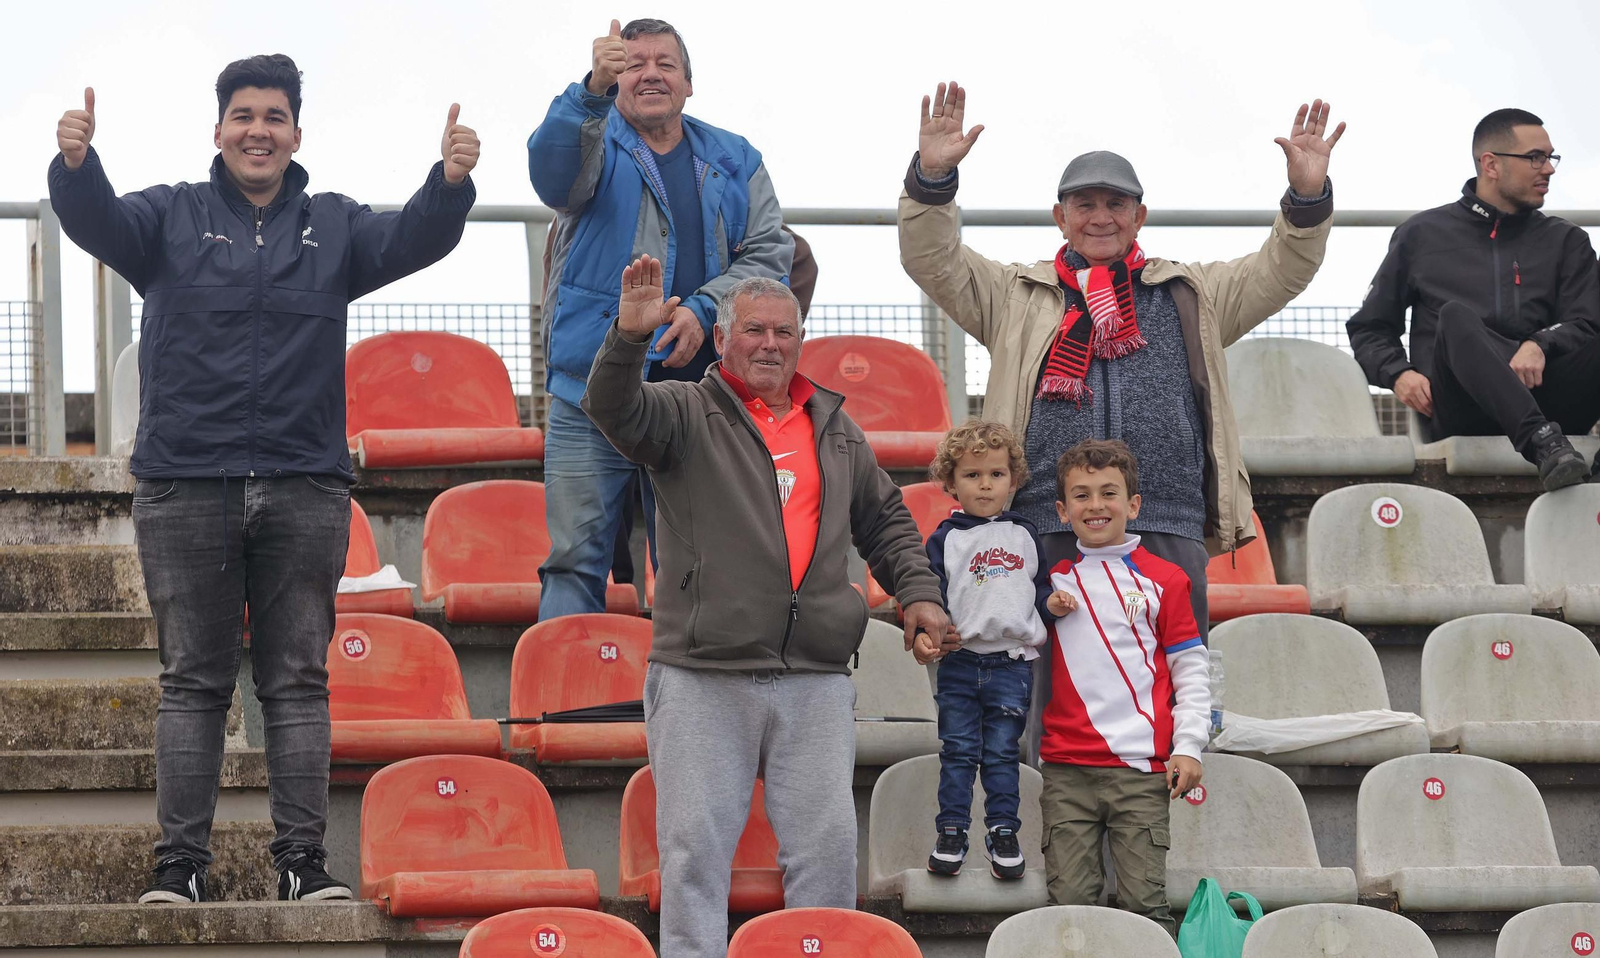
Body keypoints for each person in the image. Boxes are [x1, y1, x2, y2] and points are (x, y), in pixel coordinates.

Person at [48, 55, 478, 904]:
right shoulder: (170, 215)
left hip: (303, 482)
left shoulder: (334, 225)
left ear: (296, 135)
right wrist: (75, 168)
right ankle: (180, 867)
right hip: (184, 479)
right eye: (243, 115)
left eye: (274, 116)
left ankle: (300, 865)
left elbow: (413, 238)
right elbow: (97, 223)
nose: (258, 129)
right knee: (193, 684)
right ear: (218, 130)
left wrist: (450, 183)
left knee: (297, 681)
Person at [583, 255, 947, 958]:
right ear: (723, 339)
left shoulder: (834, 427)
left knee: (828, 859)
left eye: (785, 331)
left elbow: (887, 522)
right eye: (754, 329)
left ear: (801, 341)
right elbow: (613, 408)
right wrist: (628, 339)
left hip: (814, 675)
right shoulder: (684, 411)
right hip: (703, 674)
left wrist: (920, 596)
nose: (770, 344)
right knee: (694, 860)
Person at [899, 81, 1345, 638]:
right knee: (1052, 700)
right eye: (1084, 204)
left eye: (1117, 204)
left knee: (1169, 684)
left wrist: (1307, 197)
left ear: (1141, 216)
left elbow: (1284, 268)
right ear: (1059, 217)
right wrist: (933, 181)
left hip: (1165, 521)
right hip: (1042, 522)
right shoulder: (1013, 295)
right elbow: (930, 257)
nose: (1101, 217)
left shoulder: (1194, 291)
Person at [527, 18, 794, 620]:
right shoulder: (592, 135)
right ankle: (566, 707)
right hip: (588, 392)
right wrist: (586, 93)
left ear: (688, 84)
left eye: (665, 64)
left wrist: (706, 310)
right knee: (574, 558)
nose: (649, 74)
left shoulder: (735, 155)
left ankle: (687, 708)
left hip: (698, 397)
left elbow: (772, 251)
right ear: (614, 79)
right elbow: (551, 175)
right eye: (633, 63)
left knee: (697, 563)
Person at [1347, 108, 1600, 490]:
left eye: (1551, 157)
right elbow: (1370, 328)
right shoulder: (1421, 235)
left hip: (1552, 401)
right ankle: (1540, 442)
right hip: (1464, 405)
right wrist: (1399, 374)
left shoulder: (1567, 241)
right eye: (1535, 157)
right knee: (1455, 318)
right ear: (1491, 164)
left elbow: (1587, 322)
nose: (1548, 169)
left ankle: (1552, 443)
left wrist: (1540, 343)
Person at [1040, 439, 1209, 933]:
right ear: (1062, 510)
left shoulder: (1166, 579)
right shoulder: (1050, 581)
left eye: (1109, 493)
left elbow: (1190, 667)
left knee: (1145, 911)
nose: (1095, 506)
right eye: (1081, 495)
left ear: (1133, 505)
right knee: (1071, 912)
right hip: (1066, 770)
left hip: (1141, 770)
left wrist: (1190, 745)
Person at [922, 421, 1074, 881]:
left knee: (1005, 753)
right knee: (959, 751)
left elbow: (1037, 592)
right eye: (972, 475)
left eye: (996, 474)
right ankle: (952, 833)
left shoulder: (1026, 535)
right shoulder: (944, 539)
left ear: (1014, 480)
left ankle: (1003, 832)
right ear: (950, 483)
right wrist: (930, 633)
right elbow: (930, 597)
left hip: (1012, 664)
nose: (985, 484)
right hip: (960, 662)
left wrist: (1051, 605)